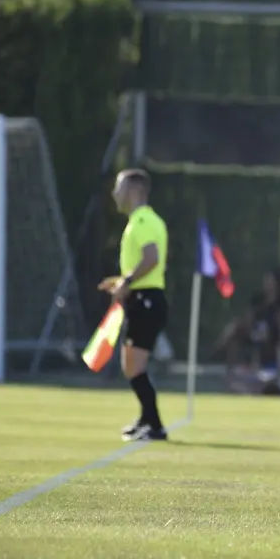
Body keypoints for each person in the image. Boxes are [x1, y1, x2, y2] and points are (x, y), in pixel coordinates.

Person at [99, 168, 169, 442]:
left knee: (134, 366)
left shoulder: (142, 220)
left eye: (120, 188)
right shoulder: (142, 221)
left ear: (134, 191)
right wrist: (121, 282)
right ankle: (146, 419)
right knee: (131, 364)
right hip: (144, 298)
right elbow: (148, 265)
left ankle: (155, 426)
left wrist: (126, 280)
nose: (115, 194)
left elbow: (151, 258)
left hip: (146, 300)